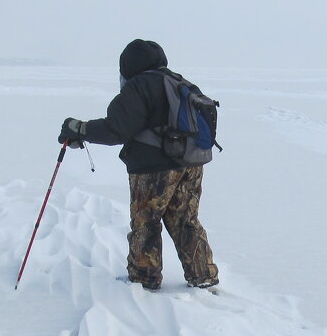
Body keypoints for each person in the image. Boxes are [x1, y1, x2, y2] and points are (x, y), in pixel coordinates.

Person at [57, 39, 219, 291]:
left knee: (146, 221)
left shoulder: (139, 86)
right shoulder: (178, 82)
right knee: (186, 220)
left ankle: (144, 279)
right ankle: (203, 275)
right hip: (192, 162)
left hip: (154, 167)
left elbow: (116, 129)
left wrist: (80, 129)